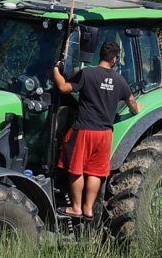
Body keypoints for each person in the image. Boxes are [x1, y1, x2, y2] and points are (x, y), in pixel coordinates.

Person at [54, 40, 139, 222]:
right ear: (115, 59)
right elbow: (132, 103)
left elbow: (63, 88)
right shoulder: (120, 80)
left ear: (100, 55)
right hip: (104, 134)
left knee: (76, 170)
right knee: (95, 172)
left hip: (84, 129)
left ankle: (76, 207)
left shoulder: (88, 73)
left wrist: (55, 71)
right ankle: (88, 209)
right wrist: (137, 108)